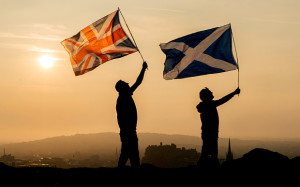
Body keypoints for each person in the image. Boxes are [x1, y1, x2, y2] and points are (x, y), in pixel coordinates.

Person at [196, 87, 240, 168]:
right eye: (210, 92)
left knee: (206, 154)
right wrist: (234, 93)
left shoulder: (205, 105)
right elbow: (223, 100)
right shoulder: (210, 105)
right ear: (207, 96)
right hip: (211, 134)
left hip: (208, 134)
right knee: (211, 155)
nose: (212, 93)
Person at [115, 61, 148, 168]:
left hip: (128, 132)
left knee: (129, 155)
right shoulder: (124, 98)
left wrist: (143, 69)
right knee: (130, 155)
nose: (128, 86)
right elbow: (137, 82)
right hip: (128, 132)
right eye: (126, 85)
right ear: (123, 88)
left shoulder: (124, 97)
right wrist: (143, 69)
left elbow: (137, 83)